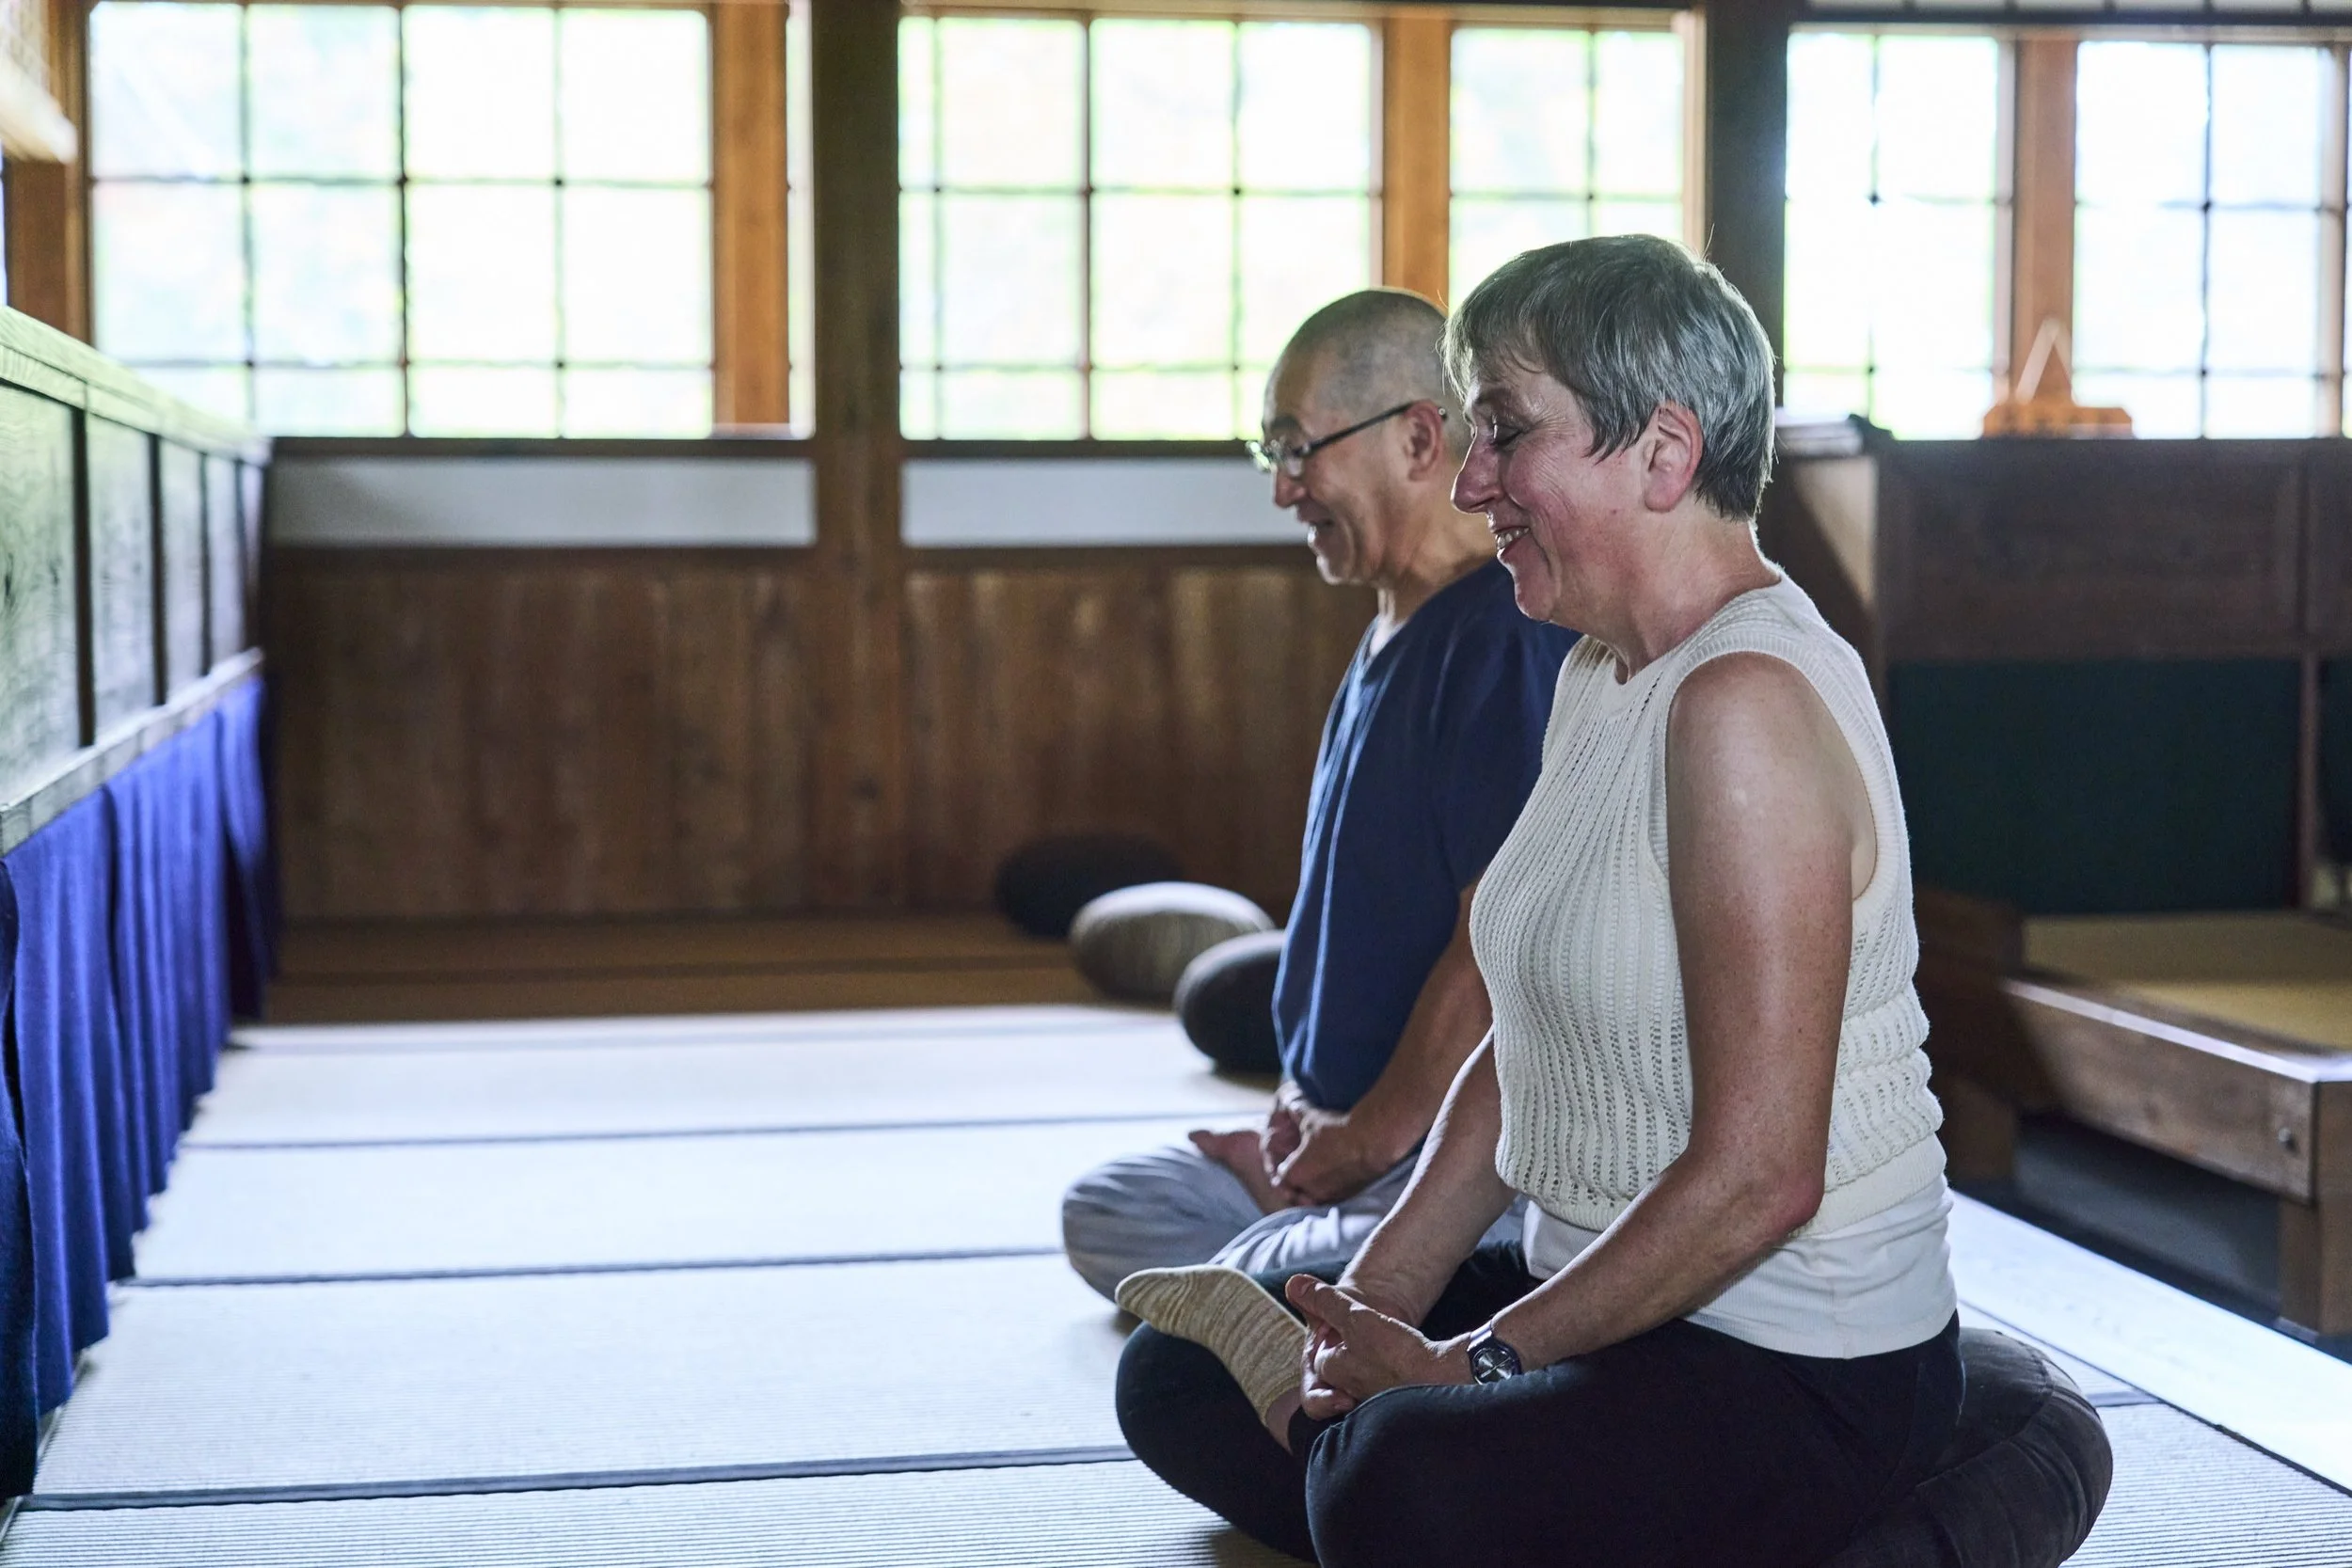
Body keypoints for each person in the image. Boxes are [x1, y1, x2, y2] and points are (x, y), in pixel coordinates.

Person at [1111, 234, 1963, 1568]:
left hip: (1793, 1355)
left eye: (1506, 433)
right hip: (1604, 1288)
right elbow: (1526, 1037)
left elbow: (1763, 1177)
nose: (1469, 480)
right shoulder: (1599, 669)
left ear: (1664, 454)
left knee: (1402, 1478)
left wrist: (1471, 1363)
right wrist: (1373, 1289)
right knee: (1174, 1372)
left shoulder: (1744, 706)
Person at [1059, 290, 1578, 1301]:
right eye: (1273, 456)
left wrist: (1365, 1140)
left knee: (1246, 1271)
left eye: (1299, 450)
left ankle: (1370, 1267)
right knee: (1113, 1204)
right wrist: (1297, 1130)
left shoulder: (1501, 637)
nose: (1284, 490)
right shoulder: (1396, 620)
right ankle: (1319, 1262)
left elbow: (1496, 946)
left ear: (1419, 439)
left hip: (1456, 1166)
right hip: (1342, 1155)